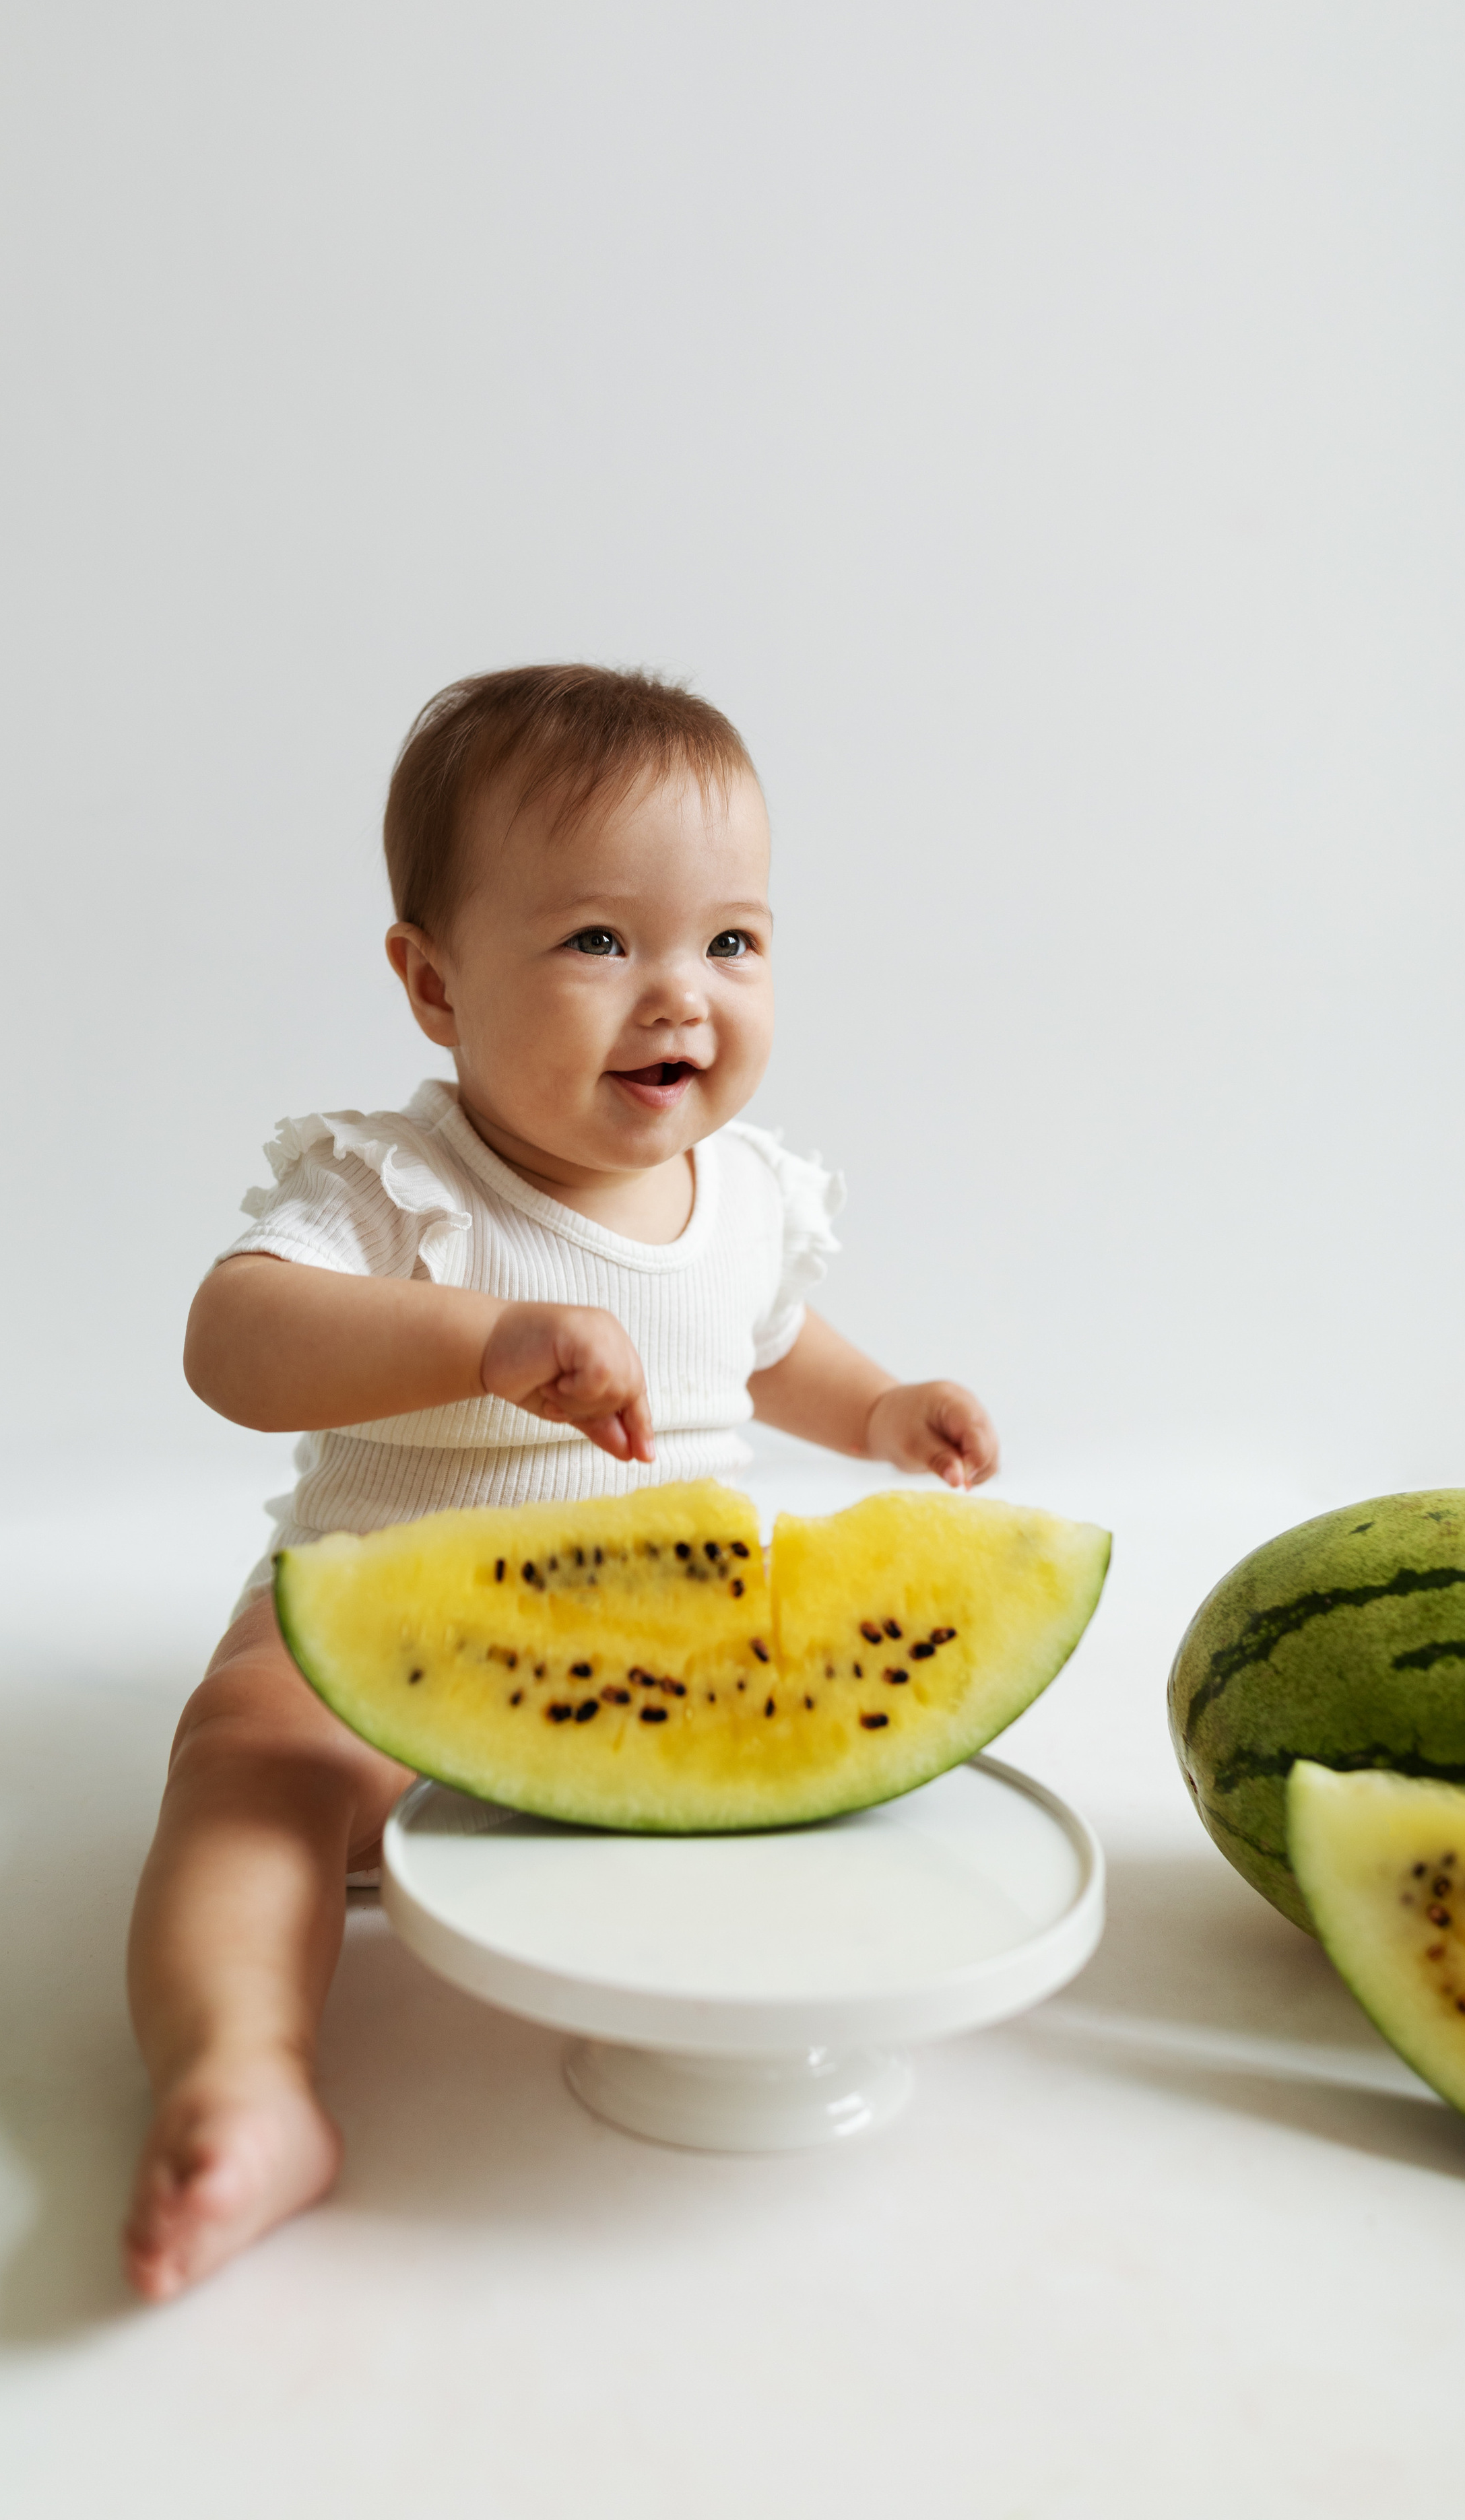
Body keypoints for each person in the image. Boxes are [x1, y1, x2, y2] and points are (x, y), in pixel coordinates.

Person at [123, 665, 999, 2300]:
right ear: (432, 982)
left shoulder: (741, 1190)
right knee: (249, 1758)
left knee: (855, 1787)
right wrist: (479, 1339)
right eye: (600, 940)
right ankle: (237, 2077)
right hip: (381, 1638)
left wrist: (881, 1413)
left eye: (727, 941)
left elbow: (768, 1345)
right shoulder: (396, 1184)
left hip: (668, 1652)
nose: (678, 996)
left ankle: (772, 2044)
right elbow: (232, 1342)